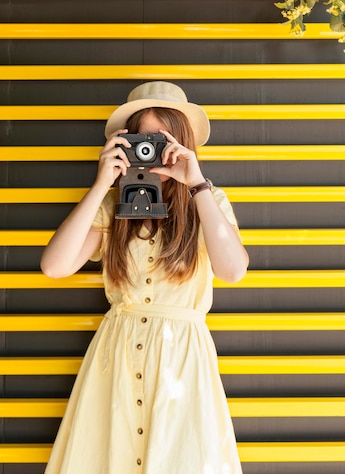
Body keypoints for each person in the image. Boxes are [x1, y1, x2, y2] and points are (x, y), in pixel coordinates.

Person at [41, 81, 249, 474]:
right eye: (142, 140)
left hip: (182, 361)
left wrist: (197, 182)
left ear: (181, 140)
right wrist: (103, 181)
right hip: (116, 357)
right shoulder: (111, 205)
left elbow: (233, 270)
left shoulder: (208, 200)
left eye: (161, 139)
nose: (150, 151)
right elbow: (55, 266)